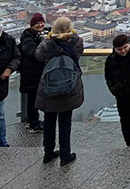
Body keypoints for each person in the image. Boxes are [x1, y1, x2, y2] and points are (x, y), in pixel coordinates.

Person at [34, 17, 83, 166]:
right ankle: (65, 155)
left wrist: (48, 38)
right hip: (69, 85)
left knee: (49, 120)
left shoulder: (48, 43)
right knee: (65, 121)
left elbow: (38, 55)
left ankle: (48, 153)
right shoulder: (76, 41)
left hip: (50, 86)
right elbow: (79, 53)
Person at [18, 13, 46, 133]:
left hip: (36, 72)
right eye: (37, 23)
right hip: (31, 73)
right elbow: (32, 53)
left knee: (34, 98)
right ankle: (33, 122)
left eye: (41, 22)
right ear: (32, 25)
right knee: (33, 99)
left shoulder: (41, 35)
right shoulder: (28, 37)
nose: (40, 25)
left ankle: (34, 121)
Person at [0, 23, 21, 147]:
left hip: (1, 83)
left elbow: (17, 57)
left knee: (0, 115)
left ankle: (2, 142)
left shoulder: (9, 41)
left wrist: (9, 69)